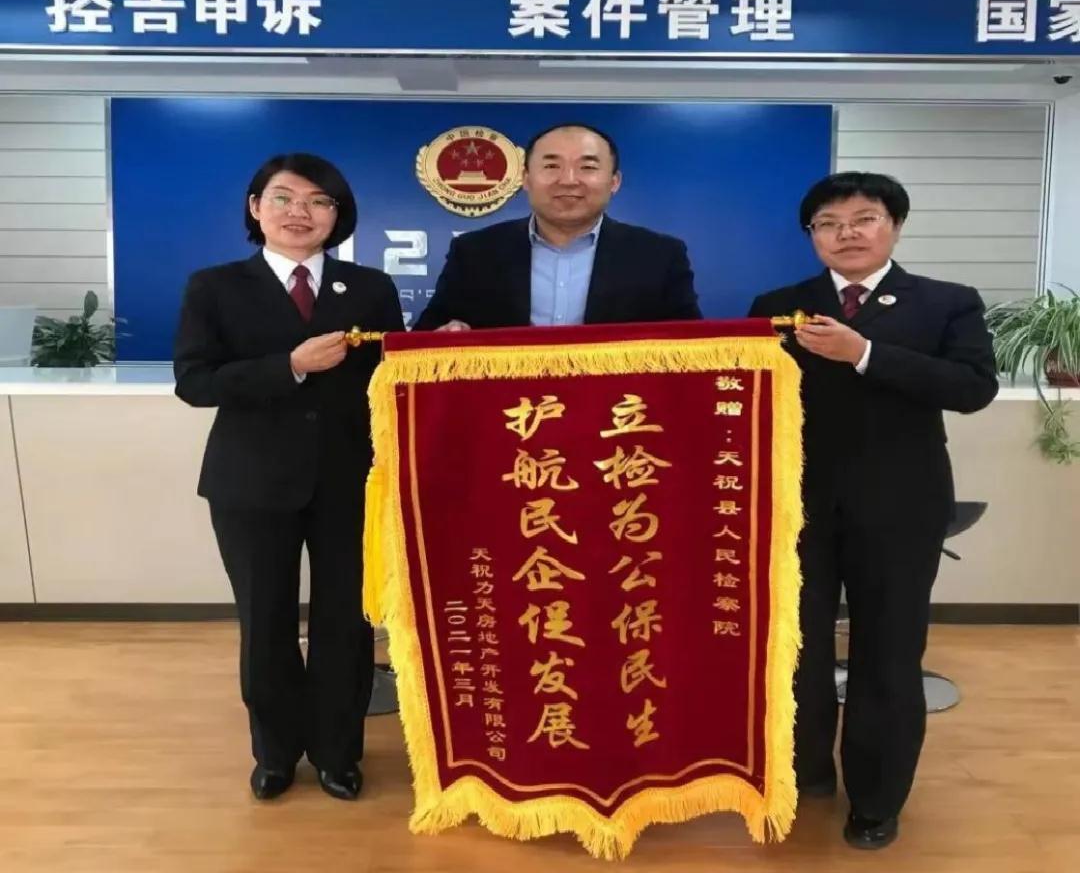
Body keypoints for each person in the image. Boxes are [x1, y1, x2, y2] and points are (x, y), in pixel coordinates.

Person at [748, 172, 998, 849]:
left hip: (900, 505)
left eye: (864, 219)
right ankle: (804, 772)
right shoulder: (777, 305)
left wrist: (865, 354)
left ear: (894, 226)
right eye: (828, 224)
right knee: (794, 647)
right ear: (812, 236)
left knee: (887, 651)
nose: (847, 234)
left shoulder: (945, 302)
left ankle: (877, 798)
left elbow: (973, 388)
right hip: (795, 505)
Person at [174, 153, 404, 802]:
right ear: (256, 208)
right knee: (265, 621)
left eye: (318, 201)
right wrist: (291, 366)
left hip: (350, 482)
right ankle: (274, 753)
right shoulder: (214, 286)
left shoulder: (370, 288)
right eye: (283, 198)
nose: (299, 212)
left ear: (337, 214)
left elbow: (392, 376)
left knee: (347, 623)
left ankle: (337, 753)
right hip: (250, 482)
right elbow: (194, 382)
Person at [413, 123, 701, 330]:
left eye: (588, 167)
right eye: (551, 166)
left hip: (617, 398)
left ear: (614, 182)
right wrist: (447, 331)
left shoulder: (659, 255)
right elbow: (428, 333)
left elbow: (693, 347)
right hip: (510, 398)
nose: (568, 180)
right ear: (526, 179)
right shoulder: (475, 252)